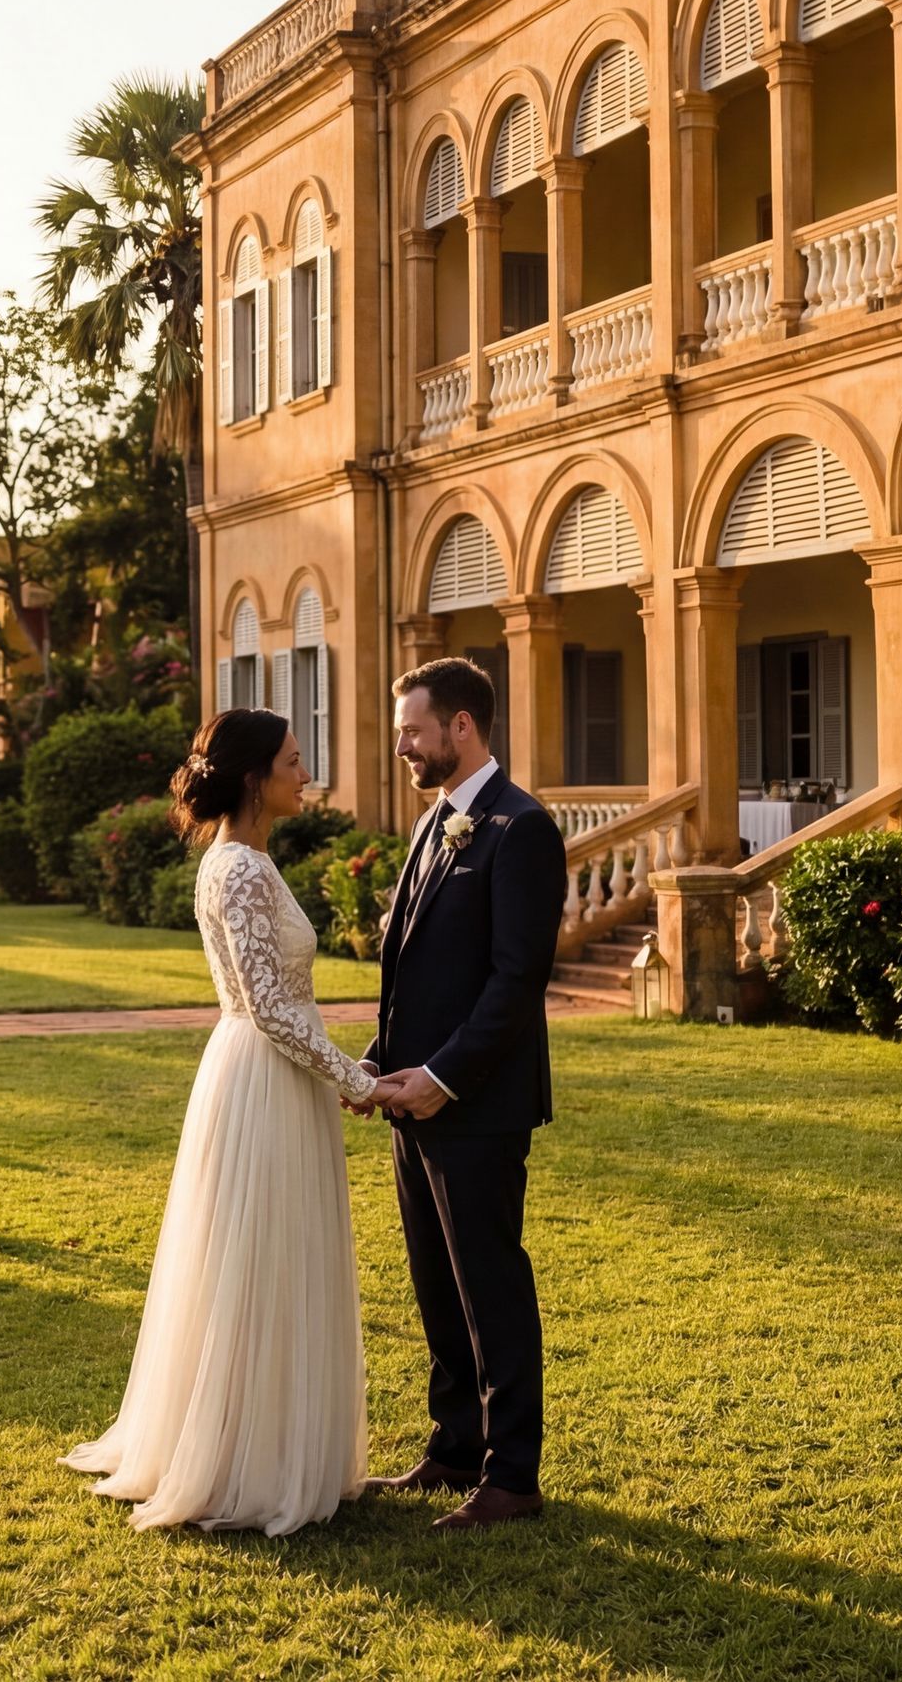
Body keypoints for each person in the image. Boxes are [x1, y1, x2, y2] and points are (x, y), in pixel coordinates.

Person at [62, 708, 377, 1534]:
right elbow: (268, 1006)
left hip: (277, 1073)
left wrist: (341, 1069)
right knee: (257, 1256)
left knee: (278, 1252)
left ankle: (276, 1440)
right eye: (294, 761)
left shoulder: (250, 860)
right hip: (264, 1075)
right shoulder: (237, 868)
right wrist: (356, 1078)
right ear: (253, 778)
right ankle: (250, 1458)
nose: (306, 774)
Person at [355, 655, 564, 1529]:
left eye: (413, 729)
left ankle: (511, 1475)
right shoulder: (432, 822)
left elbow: (516, 981)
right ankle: (453, 1445)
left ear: (462, 726)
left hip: (477, 1104)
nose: (402, 744)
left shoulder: (521, 829)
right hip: (413, 1099)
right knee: (436, 1282)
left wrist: (443, 1079)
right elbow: (417, 972)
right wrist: (377, 1066)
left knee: (490, 1285)